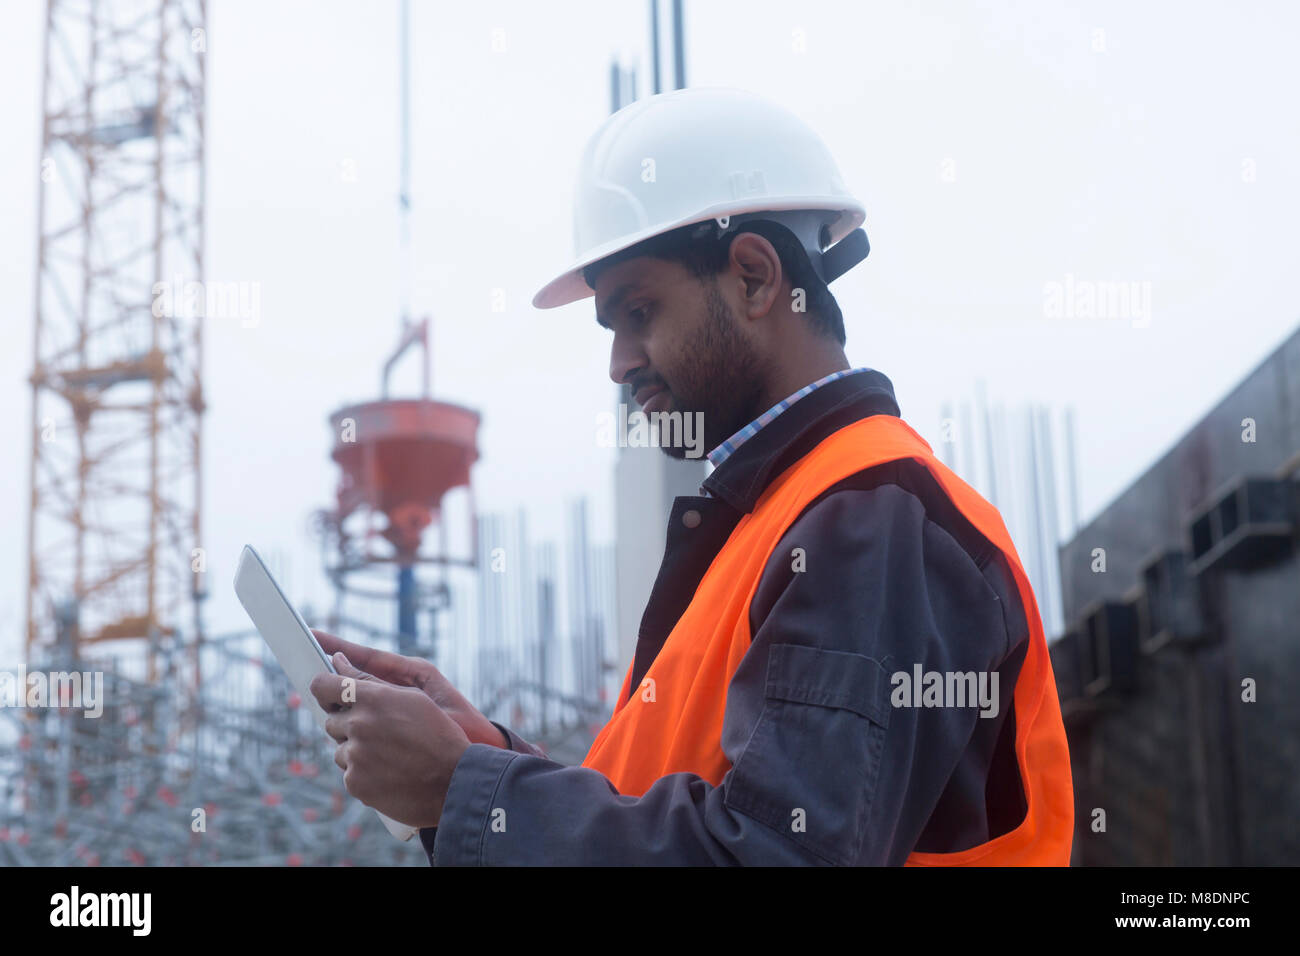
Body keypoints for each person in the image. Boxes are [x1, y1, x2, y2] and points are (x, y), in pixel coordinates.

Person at [309, 86, 1073, 865]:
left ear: (753, 278)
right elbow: (692, 815)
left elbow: (776, 854)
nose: (618, 364)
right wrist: (490, 763)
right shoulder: (774, 526)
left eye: (638, 311)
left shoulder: (869, 517)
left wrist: (463, 787)